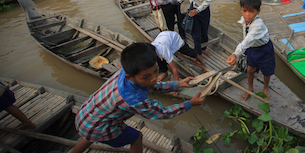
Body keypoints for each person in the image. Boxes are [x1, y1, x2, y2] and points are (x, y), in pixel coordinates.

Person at [72, 42, 205, 153]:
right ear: (131, 77)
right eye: (147, 77)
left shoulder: (127, 71)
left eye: (156, 71)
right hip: (99, 127)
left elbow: (151, 85)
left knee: (89, 134)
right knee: (137, 138)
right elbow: (162, 113)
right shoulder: (134, 99)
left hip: (85, 116)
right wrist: (190, 103)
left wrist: (178, 84)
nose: (154, 79)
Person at [152, 0, 212, 69]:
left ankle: (203, 48)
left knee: (204, 32)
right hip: (194, 12)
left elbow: (207, 1)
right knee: (195, 35)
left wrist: (197, 10)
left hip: (203, 12)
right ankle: (199, 55)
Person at [226, 0, 275, 101]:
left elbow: (247, 40)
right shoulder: (244, 19)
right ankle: (250, 89)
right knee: (249, 69)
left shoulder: (258, 25)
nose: (247, 14)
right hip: (252, 48)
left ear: (258, 12)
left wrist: (235, 54)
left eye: (251, 11)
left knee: (266, 71)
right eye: (244, 11)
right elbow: (246, 39)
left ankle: (266, 88)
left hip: (264, 49)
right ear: (241, 10)